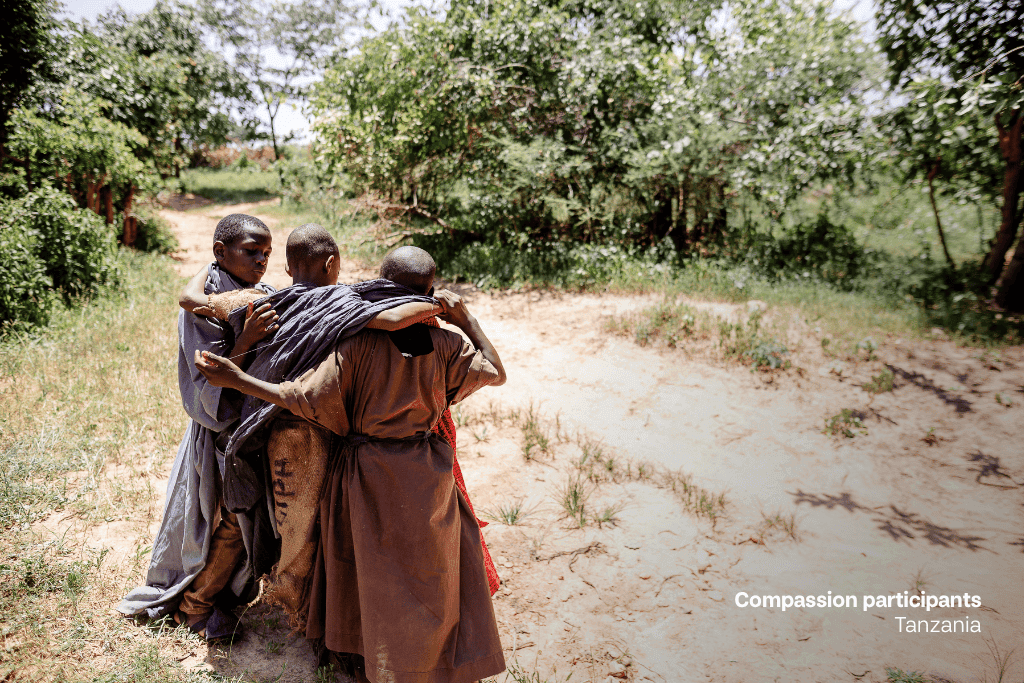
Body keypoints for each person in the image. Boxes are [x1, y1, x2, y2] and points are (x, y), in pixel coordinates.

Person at [195, 246, 507, 683]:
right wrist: (466, 321)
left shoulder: (354, 342)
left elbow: (298, 396)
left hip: (366, 469)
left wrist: (237, 379)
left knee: (361, 563)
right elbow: (495, 370)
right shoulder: (447, 343)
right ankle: (432, 656)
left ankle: (359, 655)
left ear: (379, 282)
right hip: (425, 469)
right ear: (430, 289)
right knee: (428, 564)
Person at [118, 214, 280, 641]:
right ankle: (194, 608)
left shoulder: (251, 293)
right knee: (229, 514)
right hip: (222, 428)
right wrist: (245, 342)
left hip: (252, 419)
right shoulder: (207, 304)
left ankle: (224, 594)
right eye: (251, 252)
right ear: (220, 253)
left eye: (266, 254)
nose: (261, 260)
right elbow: (210, 377)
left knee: (247, 516)